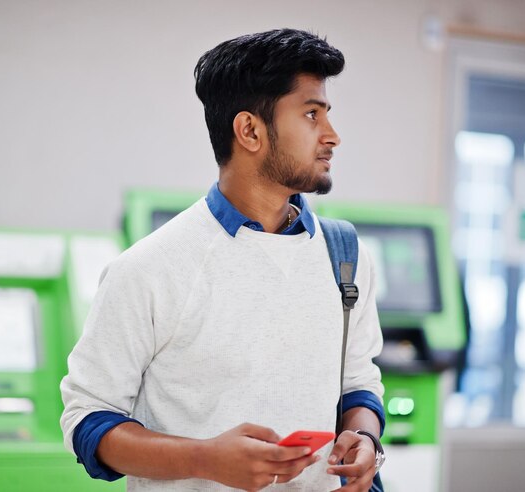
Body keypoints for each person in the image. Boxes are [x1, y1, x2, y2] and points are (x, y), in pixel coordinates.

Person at [60, 28, 385, 491]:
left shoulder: (346, 258)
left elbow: (358, 384)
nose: (332, 136)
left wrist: (363, 438)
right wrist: (203, 458)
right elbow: (88, 421)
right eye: (311, 114)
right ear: (250, 130)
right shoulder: (149, 269)